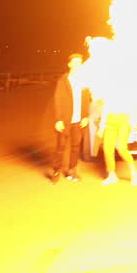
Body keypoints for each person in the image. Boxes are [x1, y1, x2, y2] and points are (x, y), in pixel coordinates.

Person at [49, 53, 91, 184]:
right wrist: (58, 119)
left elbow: (86, 99)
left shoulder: (85, 81)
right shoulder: (63, 80)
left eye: (80, 62)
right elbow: (58, 99)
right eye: (75, 62)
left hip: (78, 120)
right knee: (60, 147)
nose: (78, 65)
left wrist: (86, 116)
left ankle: (72, 171)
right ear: (70, 64)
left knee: (76, 146)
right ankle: (56, 171)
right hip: (65, 120)